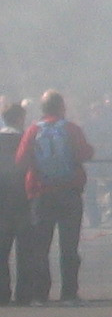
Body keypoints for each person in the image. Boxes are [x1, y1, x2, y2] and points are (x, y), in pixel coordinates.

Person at [16, 90, 95, 303]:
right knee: (69, 246)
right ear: (62, 107)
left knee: (41, 246)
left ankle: (40, 294)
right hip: (69, 193)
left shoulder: (33, 130)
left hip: (41, 193)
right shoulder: (71, 129)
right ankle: (69, 293)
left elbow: (21, 160)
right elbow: (85, 153)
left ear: (42, 109)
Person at [0, 100, 28, 303]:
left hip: (2, 200)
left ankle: (2, 292)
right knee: (25, 250)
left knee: (1, 251)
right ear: (19, 118)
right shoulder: (25, 139)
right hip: (23, 198)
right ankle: (24, 293)